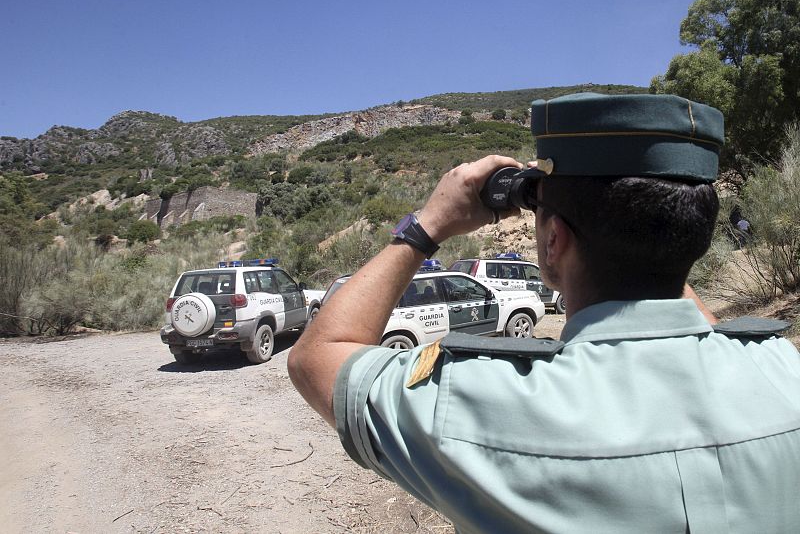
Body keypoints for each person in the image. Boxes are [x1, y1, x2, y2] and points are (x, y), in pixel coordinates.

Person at [288, 93, 800, 532]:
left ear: (554, 240)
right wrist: (656, 232)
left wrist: (428, 225)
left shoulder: (480, 405)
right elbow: (694, 327)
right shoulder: (782, 372)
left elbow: (317, 357)